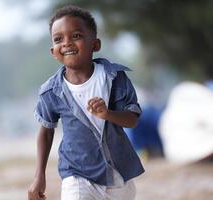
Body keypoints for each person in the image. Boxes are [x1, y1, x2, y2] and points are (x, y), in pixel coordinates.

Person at [28, 5, 144, 200]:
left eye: (76, 36)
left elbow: (132, 120)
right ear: (53, 51)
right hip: (77, 175)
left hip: (118, 176)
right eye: (58, 39)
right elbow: (46, 132)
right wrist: (39, 175)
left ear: (95, 44)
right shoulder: (50, 91)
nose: (67, 43)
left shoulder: (115, 78)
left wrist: (108, 114)